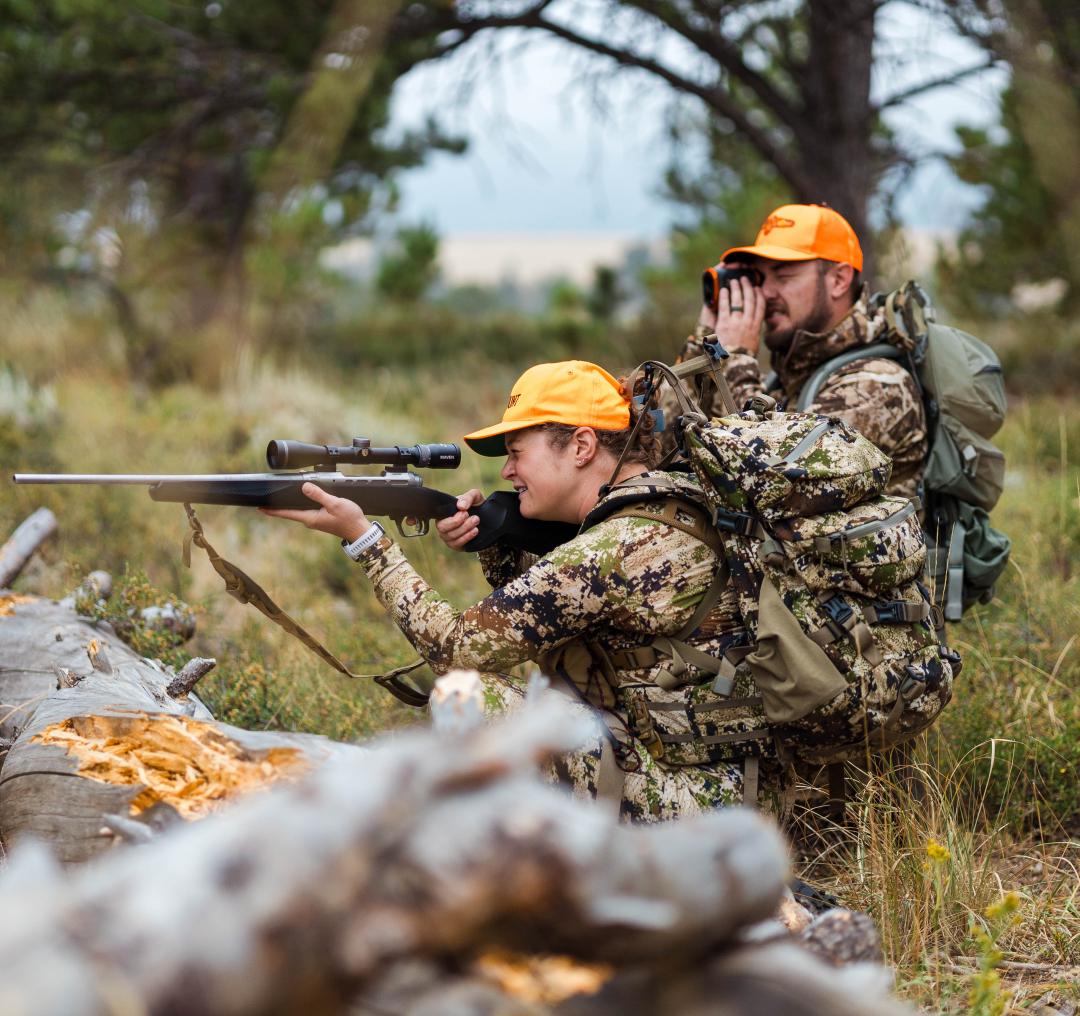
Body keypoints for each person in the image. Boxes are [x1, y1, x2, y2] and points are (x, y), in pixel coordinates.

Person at [263, 360, 767, 821]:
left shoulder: (616, 546)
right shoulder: (660, 507)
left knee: (474, 696)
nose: (507, 472)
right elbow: (558, 608)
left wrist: (367, 542)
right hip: (720, 782)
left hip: (705, 807)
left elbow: (458, 649)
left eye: (516, 453)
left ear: (582, 447)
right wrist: (495, 541)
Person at [681, 203, 927, 502]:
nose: (767, 294)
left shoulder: (878, 385)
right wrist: (701, 343)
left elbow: (770, 486)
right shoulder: (790, 375)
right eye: (760, 280)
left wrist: (735, 358)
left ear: (838, 280)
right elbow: (667, 447)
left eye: (783, 277)